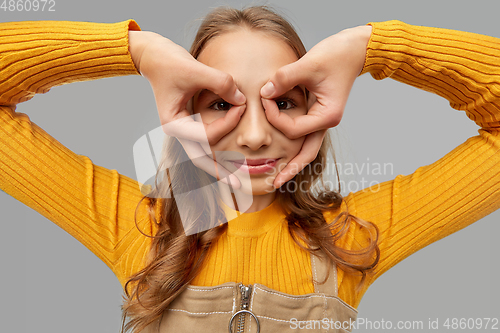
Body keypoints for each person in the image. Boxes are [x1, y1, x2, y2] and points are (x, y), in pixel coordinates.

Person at [0, 5, 499, 333]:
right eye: (220, 103)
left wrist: (372, 48)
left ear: (317, 110)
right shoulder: (138, 225)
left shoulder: (351, 235)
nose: (256, 135)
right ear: (184, 109)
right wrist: (136, 52)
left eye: (284, 101)